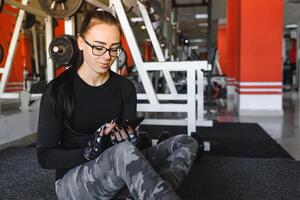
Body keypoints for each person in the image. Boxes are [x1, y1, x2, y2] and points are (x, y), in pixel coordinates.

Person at [36, 8, 198, 200]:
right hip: (73, 182)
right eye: (98, 47)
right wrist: (88, 152)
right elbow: (44, 156)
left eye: (114, 48)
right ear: (81, 43)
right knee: (123, 153)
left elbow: (128, 146)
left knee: (185, 143)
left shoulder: (125, 87)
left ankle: (136, 193)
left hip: (119, 166)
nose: (107, 56)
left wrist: (130, 140)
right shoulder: (58, 90)